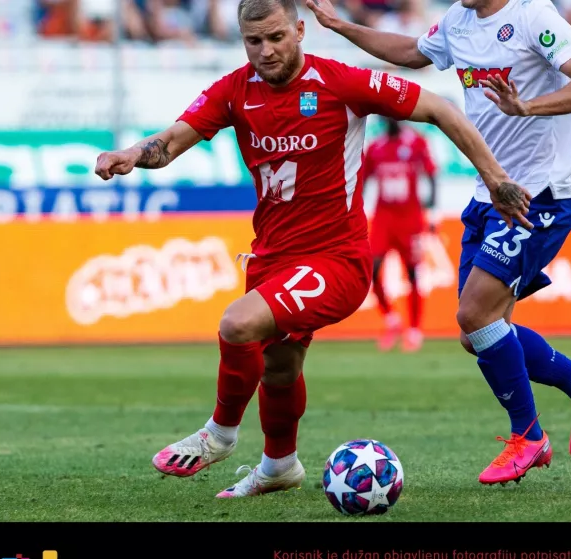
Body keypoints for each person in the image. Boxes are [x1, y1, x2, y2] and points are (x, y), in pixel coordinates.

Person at [93, 0, 530, 498]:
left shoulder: (341, 83)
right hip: (271, 257)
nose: (266, 51)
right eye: (253, 41)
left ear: (300, 31)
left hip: (336, 260)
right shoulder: (234, 91)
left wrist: (496, 179)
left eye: (277, 37)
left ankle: (218, 435)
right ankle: (280, 465)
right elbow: (170, 143)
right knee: (279, 366)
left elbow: (439, 108)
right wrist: (130, 155)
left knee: (237, 324)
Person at [306, 0, 571, 486]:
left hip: (540, 196)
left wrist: (526, 106)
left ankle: (528, 437)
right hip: (487, 195)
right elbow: (412, 52)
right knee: (477, 335)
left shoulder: (534, 15)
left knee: (476, 316)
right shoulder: (458, 19)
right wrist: (338, 24)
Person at [363, 116, 438, 352]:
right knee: (371, 269)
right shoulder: (375, 147)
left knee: (413, 273)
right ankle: (392, 320)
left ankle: (415, 329)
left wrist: (433, 213)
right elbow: (362, 181)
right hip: (384, 218)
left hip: (410, 218)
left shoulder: (416, 141)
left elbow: (431, 175)